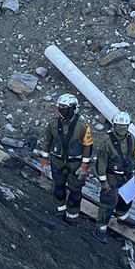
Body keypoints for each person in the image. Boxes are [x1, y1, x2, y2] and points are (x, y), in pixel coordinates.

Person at [37, 93, 93, 225]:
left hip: (75, 164)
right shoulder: (52, 124)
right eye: (60, 106)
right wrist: (44, 161)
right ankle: (60, 210)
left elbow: (88, 146)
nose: (61, 110)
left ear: (73, 108)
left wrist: (84, 166)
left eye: (64, 107)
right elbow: (47, 142)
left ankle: (72, 216)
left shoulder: (83, 126)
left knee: (75, 192)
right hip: (57, 161)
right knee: (59, 188)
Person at [92, 111, 135, 243]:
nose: (121, 129)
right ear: (114, 125)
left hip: (127, 174)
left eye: (124, 126)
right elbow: (101, 161)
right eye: (118, 126)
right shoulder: (107, 141)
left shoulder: (132, 139)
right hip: (112, 176)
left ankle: (122, 216)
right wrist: (103, 181)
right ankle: (100, 228)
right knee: (108, 203)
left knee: (127, 198)